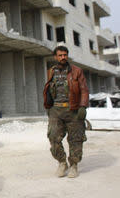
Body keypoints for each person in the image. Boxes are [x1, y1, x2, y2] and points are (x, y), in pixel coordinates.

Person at [43, 45, 89, 178]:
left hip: (73, 109)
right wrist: (49, 107)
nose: (63, 57)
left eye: (65, 55)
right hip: (56, 110)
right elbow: (49, 90)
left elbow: (84, 89)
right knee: (53, 137)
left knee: (75, 139)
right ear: (55, 57)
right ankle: (62, 163)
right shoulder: (51, 71)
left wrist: (83, 106)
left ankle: (74, 165)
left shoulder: (76, 71)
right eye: (60, 55)